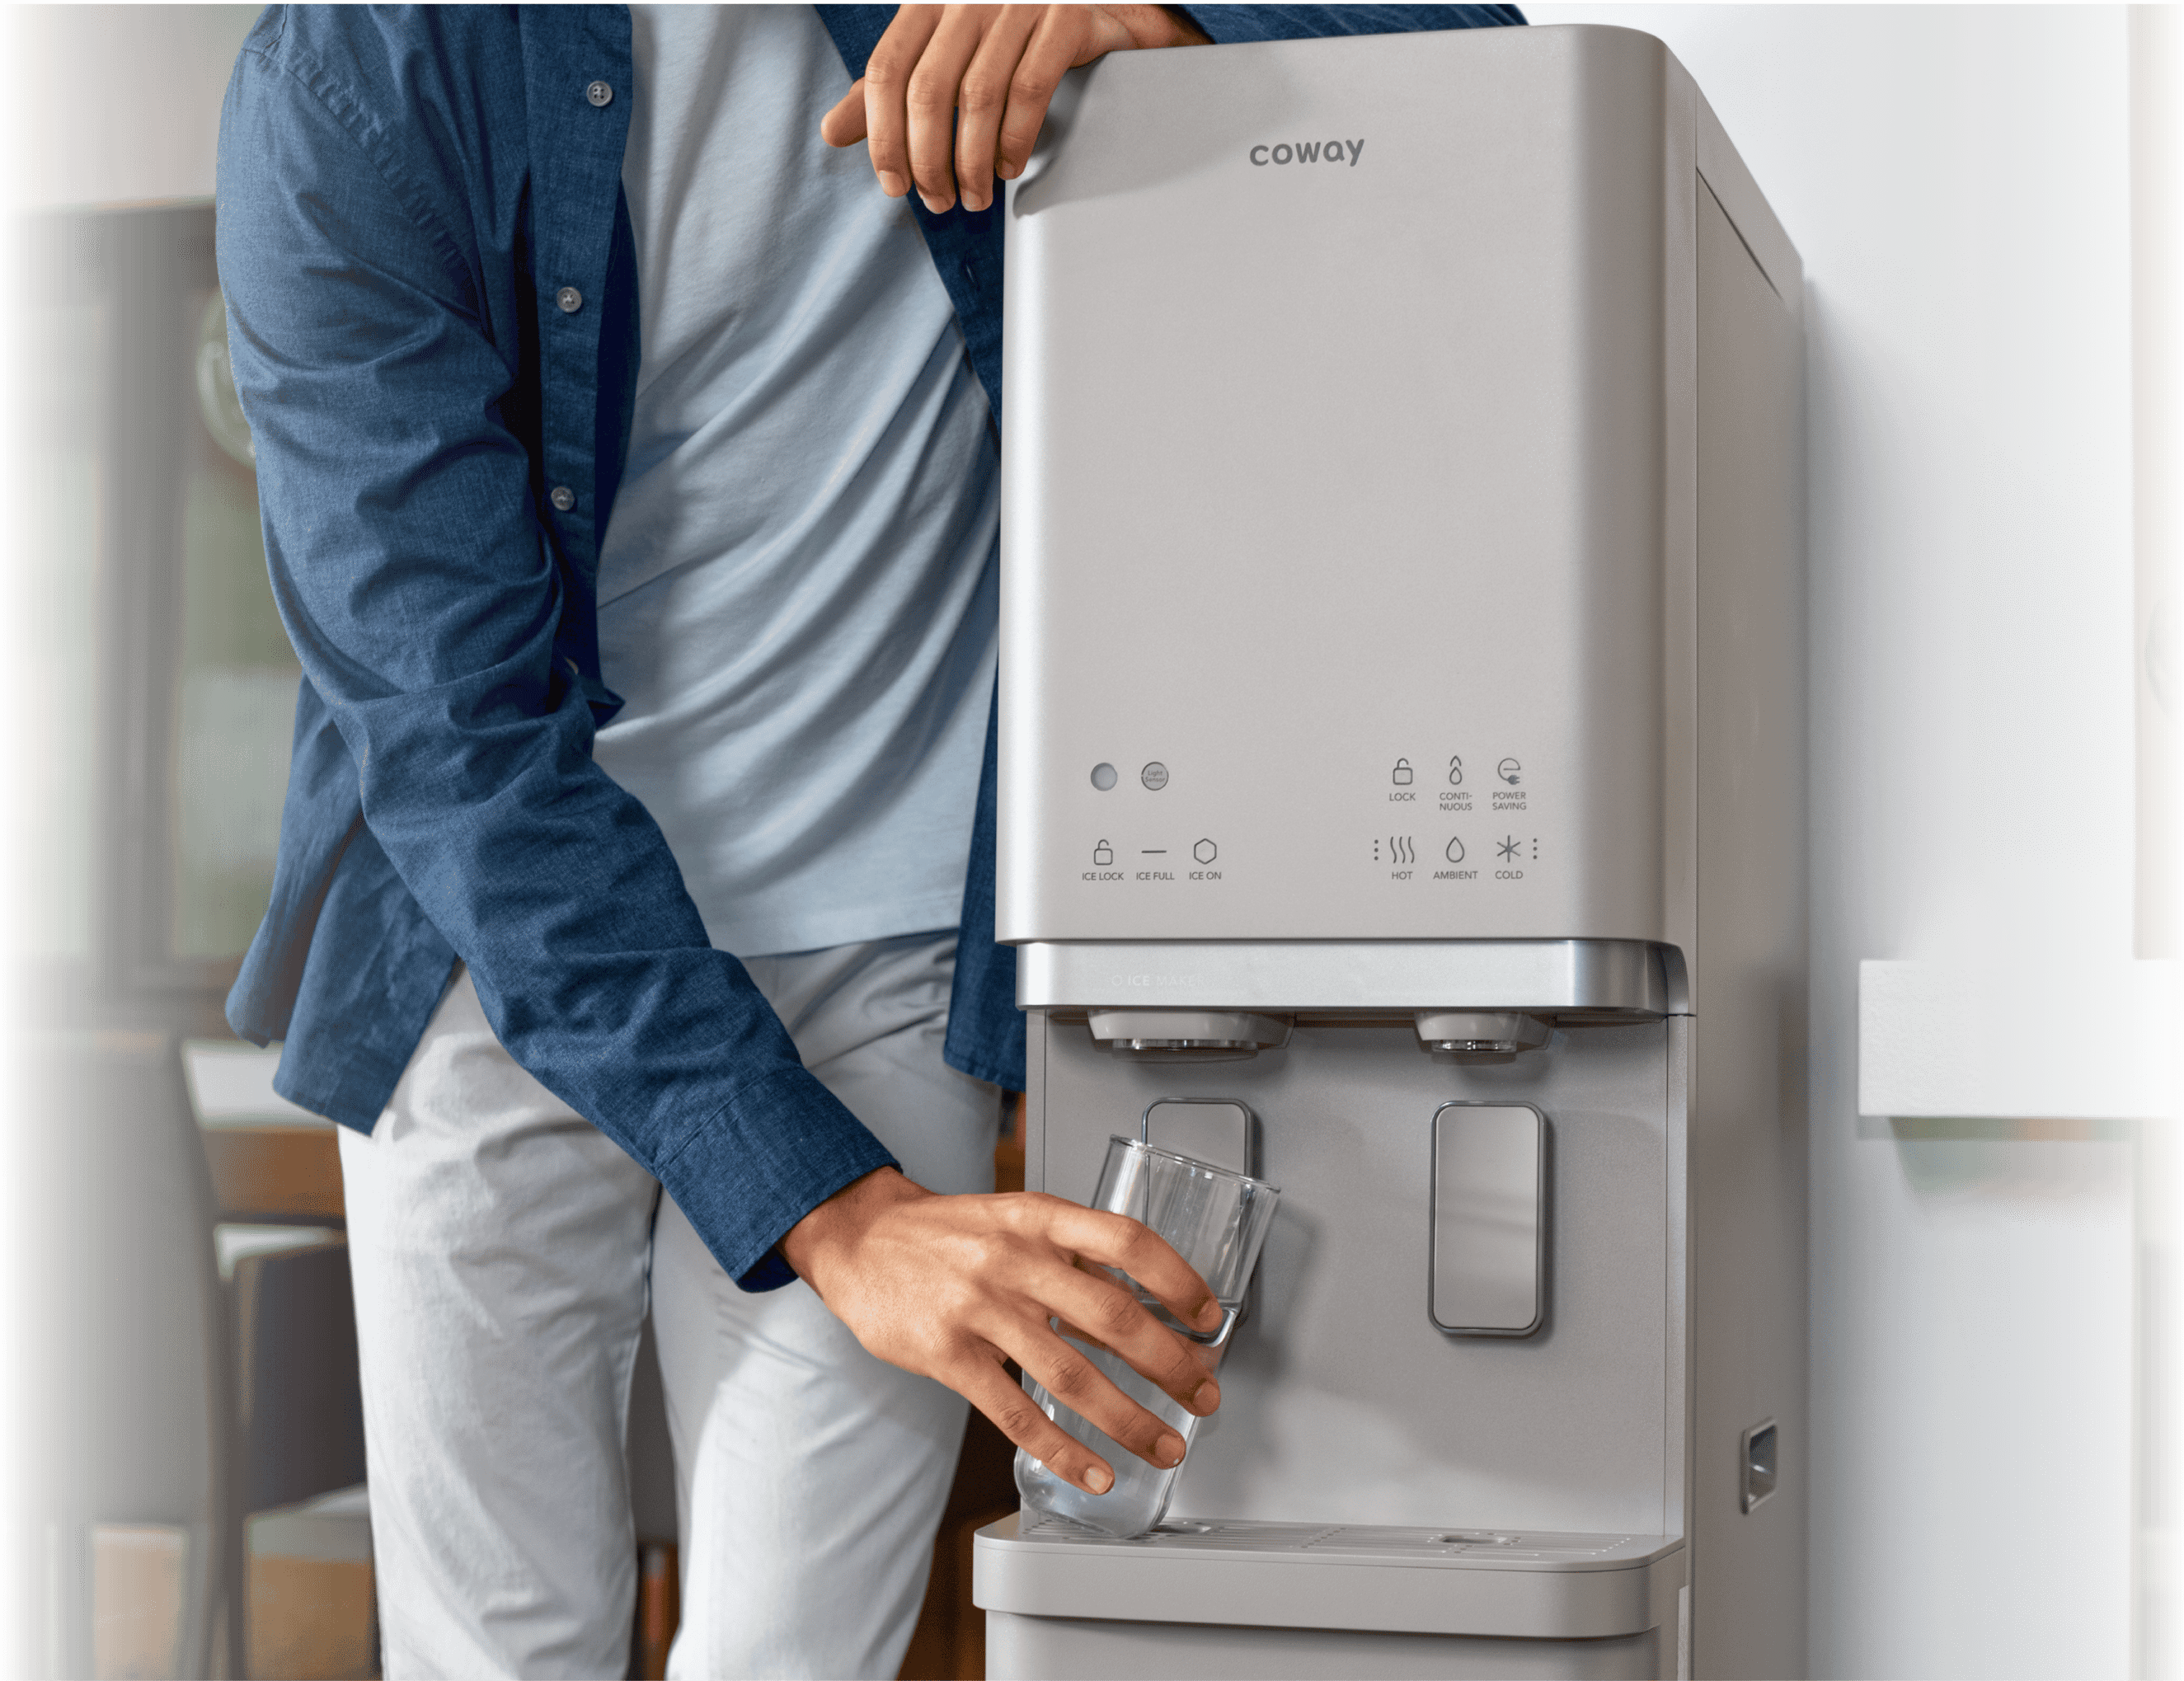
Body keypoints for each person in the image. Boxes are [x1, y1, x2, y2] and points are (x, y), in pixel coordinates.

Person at [216, 3, 1524, 1674]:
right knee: (495, 1651)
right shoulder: (347, 76)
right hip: (493, 948)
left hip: (886, 942)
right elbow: (451, 732)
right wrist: (833, 1212)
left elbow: (1485, 56)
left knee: (795, 1653)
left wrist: (1153, 9)